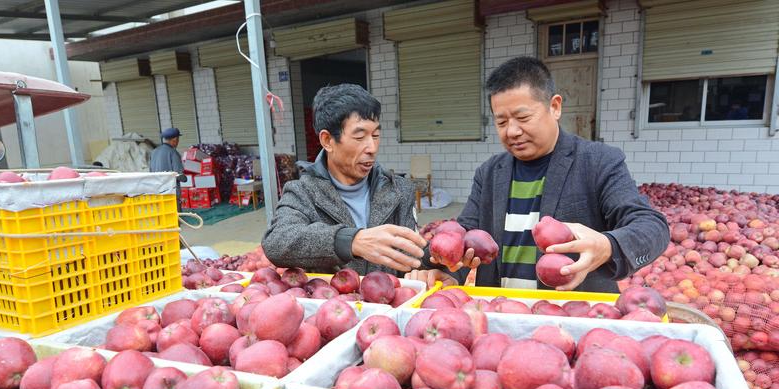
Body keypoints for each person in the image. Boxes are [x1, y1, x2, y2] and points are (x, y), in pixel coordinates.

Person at [409, 57, 669, 293]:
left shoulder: (598, 161)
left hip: (573, 314)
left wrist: (608, 246)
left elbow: (651, 225)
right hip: (502, 314)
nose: (512, 131)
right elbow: (466, 233)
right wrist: (448, 269)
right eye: (501, 122)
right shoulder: (489, 173)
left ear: (554, 107)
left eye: (523, 117)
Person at [262, 84, 426, 275]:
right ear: (327, 140)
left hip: (390, 295)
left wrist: (433, 263)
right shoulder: (303, 192)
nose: (372, 148)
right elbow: (277, 242)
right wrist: (351, 241)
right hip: (330, 295)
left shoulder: (399, 190)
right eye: (360, 137)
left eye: (375, 135)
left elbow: (411, 258)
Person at [149, 127, 188, 211]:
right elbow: (178, 175)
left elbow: (151, 171)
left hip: (157, 192)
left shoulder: (154, 152)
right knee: (175, 216)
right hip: (171, 193)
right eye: (178, 139)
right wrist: (185, 178)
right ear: (175, 140)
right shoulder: (173, 153)